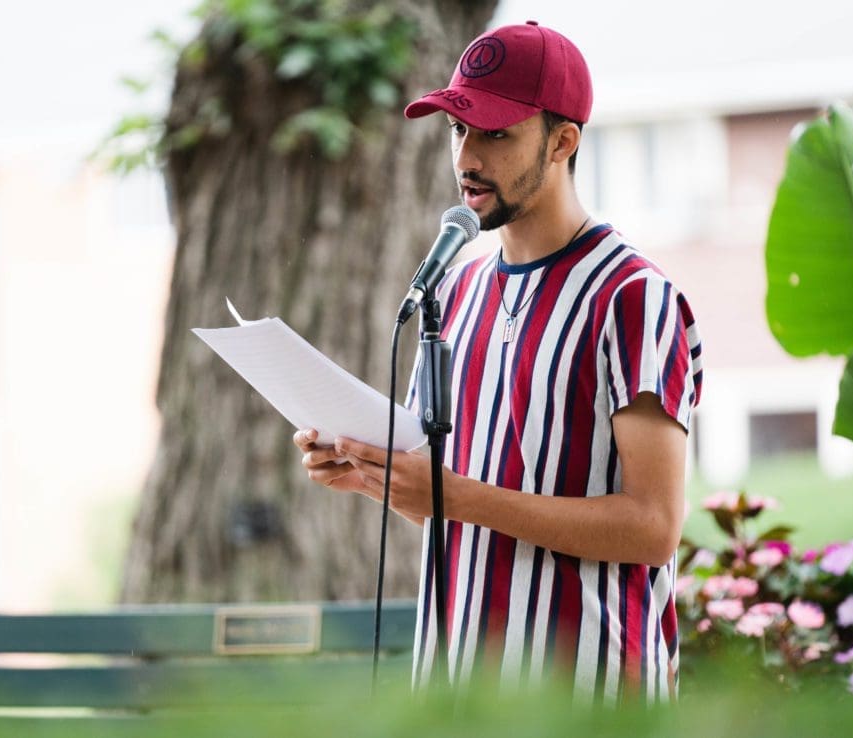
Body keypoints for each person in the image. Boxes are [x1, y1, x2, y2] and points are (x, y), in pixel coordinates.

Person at [293, 21, 702, 704]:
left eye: (495, 134)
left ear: (563, 141)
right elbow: (454, 501)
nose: (467, 157)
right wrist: (368, 471)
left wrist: (455, 496)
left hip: (588, 699)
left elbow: (654, 528)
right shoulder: (453, 290)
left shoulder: (633, 297)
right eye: (459, 130)